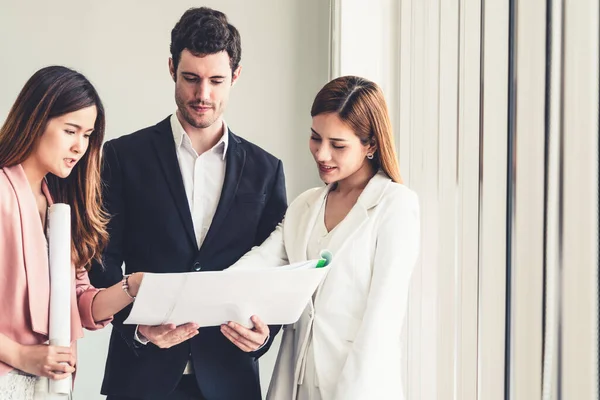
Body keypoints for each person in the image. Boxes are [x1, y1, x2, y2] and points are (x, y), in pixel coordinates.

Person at [88, 6, 287, 400]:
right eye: (191, 78)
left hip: (230, 379)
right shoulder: (123, 156)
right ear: (170, 69)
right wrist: (137, 326)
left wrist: (263, 335)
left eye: (216, 80)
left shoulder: (267, 169)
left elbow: (277, 266)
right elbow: (102, 259)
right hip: (140, 377)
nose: (203, 95)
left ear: (236, 75)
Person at [223, 76, 420, 399]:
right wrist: (194, 295)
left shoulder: (395, 205)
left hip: (357, 385)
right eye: (316, 138)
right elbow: (259, 263)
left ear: (370, 145)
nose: (322, 154)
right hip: (296, 382)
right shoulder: (306, 205)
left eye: (338, 145)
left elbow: (382, 319)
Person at [0, 66, 144, 400]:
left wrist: (134, 286)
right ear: (35, 121)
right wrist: (21, 355)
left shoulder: (60, 207)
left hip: (48, 387)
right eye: (70, 130)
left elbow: (80, 302)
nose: (80, 146)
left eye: (88, 134)